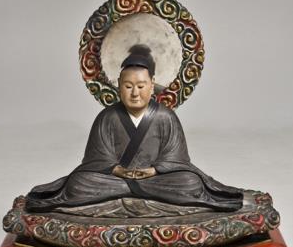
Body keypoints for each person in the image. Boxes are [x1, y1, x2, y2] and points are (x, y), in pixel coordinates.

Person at [25, 45, 244, 213]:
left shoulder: (166, 117)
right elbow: (95, 159)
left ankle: (131, 192)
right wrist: (117, 170)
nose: (135, 93)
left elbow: (178, 158)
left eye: (140, 86)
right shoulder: (107, 117)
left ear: (152, 85)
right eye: (128, 86)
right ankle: (136, 191)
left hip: (156, 179)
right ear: (118, 86)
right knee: (79, 183)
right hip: (116, 180)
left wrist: (155, 170)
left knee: (190, 183)